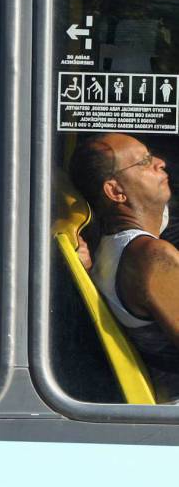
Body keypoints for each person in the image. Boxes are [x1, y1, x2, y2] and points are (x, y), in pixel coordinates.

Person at [69, 132, 179, 401]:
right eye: (144, 162)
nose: (161, 163)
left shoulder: (111, 249)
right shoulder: (152, 257)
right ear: (116, 191)